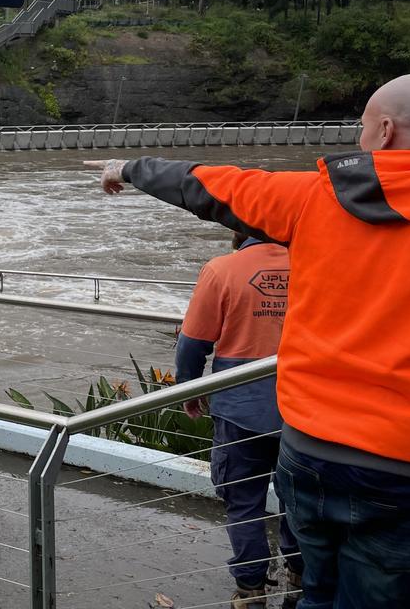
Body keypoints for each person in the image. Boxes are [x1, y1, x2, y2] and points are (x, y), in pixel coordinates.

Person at [84, 74, 410, 609]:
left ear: (384, 129)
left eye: (361, 127)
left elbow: (209, 185)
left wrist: (124, 169)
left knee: (317, 591)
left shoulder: (309, 199)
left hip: (309, 452)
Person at [178, 232, 303, 608]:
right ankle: (301, 575)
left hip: (241, 406)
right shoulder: (315, 265)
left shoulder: (222, 269)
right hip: (306, 408)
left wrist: (188, 388)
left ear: (237, 234)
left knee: (243, 501)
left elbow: (193, 342)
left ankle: (250, 590)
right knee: (299, 499)